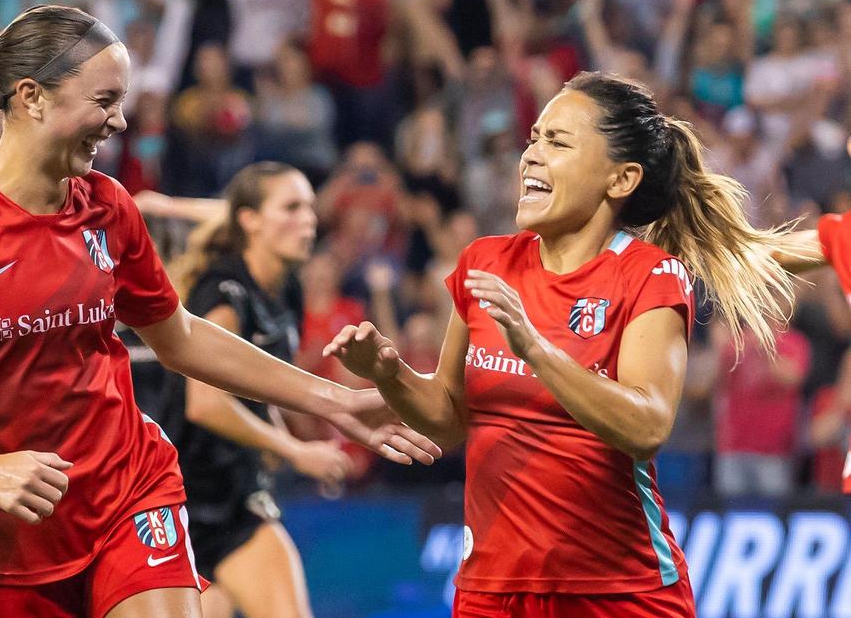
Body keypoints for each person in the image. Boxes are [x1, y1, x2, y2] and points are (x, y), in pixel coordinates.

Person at [0, 5, 439, 618]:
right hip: (6, 521)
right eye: (105, 100)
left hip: (128, 490)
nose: (119, 120)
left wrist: (337, 402)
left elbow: (181, 338)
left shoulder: (108, 206)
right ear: (32, 98)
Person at [324, 71, 799, 618]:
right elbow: (450, 419)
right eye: (533, 139)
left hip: (618, 592)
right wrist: (389, 373)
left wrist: (537, 351)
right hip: (492, 590)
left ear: (621, 179)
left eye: (558, 142)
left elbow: (647, 427)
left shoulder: (649, 275)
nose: (531, 155)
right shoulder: (485, 261)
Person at [155, 162, 351, 618]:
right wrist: (293, 450)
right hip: (182, 498)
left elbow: (259, 387)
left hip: (237, 499)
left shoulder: (287, 291)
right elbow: (205, 404)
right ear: (249, 221)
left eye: (310, 208)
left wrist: (278, 434)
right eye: (292, 208)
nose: (309, 220)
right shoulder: (222, 294)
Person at [775, 212, 851, 495]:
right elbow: (781, 318)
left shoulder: (837, 284)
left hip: (832, 384)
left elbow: (842, 327)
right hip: (806, 390)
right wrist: (803, 277)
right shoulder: (800, 287)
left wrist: (832, 278)